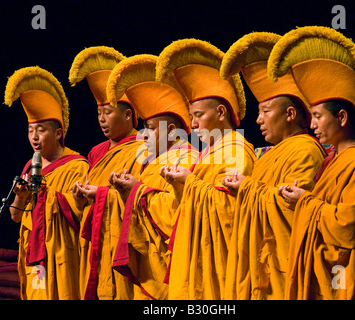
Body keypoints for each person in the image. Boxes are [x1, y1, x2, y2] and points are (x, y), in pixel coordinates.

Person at [271, 26, 355, 299]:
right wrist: (304, 197)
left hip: (344, 281)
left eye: (317, 116)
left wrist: (306, 202)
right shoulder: (337, 158)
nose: (311, 125)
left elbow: (348, 228)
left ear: (342, 118)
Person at [218, 31, 327, 300]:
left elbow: (295, 211)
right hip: (255, 263)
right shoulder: (269, 155)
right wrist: (241, 190)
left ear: (290, 114)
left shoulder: (306, 151)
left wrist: (248, 189)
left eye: (266, 111)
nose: (258, 120)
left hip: (282, 268)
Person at [155, 38, 256, 299]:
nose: (193, 124)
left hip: (220, 261)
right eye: (191, 117)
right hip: (196, 254)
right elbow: (190, 208)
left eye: (199, 115)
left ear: (221, 113)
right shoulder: (207, 153)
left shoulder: (236, 149)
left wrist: (189, 182)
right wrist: (179, 187)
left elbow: (231, 211)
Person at [105, 54, 199, 299]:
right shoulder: (153, 162)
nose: (144, 134)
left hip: (168, 262)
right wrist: (125, 191)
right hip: (148, 262)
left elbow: (175, 214)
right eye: (144, 127)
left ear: (171, 130)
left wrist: (137, 191)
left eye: (152, 128)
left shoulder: (187, 158)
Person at [4, 66, 89, 300]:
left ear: (59, 133)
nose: (34, 137)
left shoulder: (77, 166)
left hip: (63, 254)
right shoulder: (29, 168)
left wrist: (47, 193)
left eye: (40, 130)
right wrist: (21, 197)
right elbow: (15, 216)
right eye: (30, 130)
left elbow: (80, 215)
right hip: (34, 254)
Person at [67, 46, 145, 300]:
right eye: (98, 113)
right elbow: (88, 201)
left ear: (129, 115)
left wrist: (101, 194)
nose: (101, 119)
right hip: (94, 241)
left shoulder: (143, 148)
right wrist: (81, 199)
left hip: (121, 241)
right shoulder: (96, 152)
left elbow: (139, 198)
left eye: (108, 112)